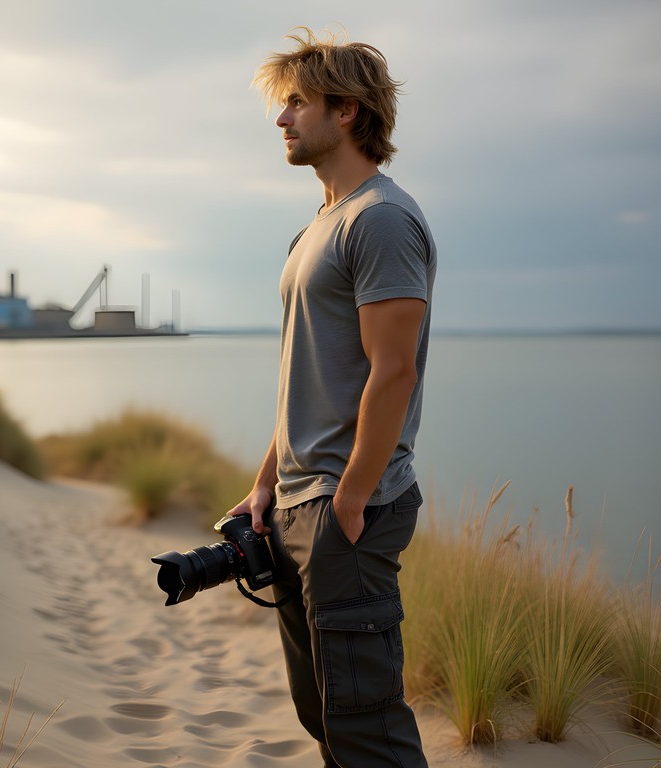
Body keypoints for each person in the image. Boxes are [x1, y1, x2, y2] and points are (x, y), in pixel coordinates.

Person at [228, 28, 436, 767]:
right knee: (325, 713)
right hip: (296, 503)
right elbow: (307, 378)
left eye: (294, 103)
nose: (280, 120)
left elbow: (394, 372)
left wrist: (348, 501)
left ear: (346, 111)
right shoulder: (316, 228)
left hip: (345, 510)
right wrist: (264, 486)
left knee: (366, 727)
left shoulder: (380, 219)